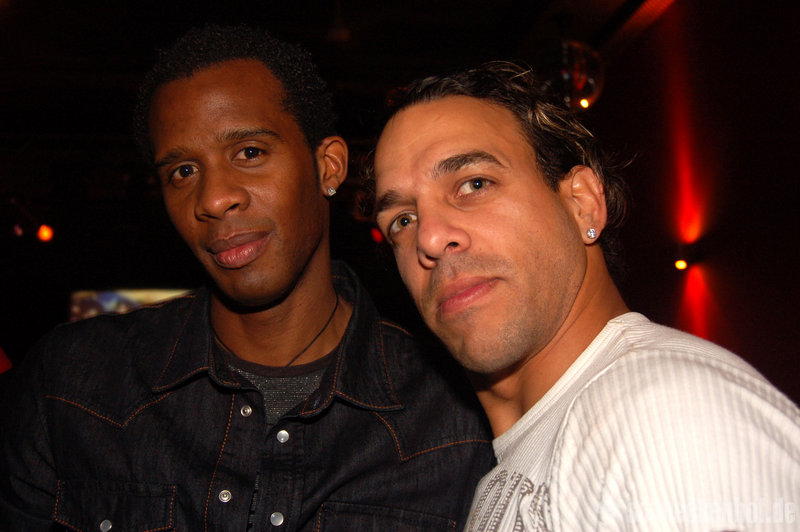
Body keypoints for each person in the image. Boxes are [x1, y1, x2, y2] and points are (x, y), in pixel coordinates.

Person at [0, 26, 495, 531]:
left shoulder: (456, 420)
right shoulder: (71, 385)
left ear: (328, 167)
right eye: (183, 171)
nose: (214, 198)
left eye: (250, 153)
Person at [371, 61, 800, 531]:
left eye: (475, 184)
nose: (430, 238)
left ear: (582, 204)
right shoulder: (514, 465)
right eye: (403, 220)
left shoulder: (669, 417)